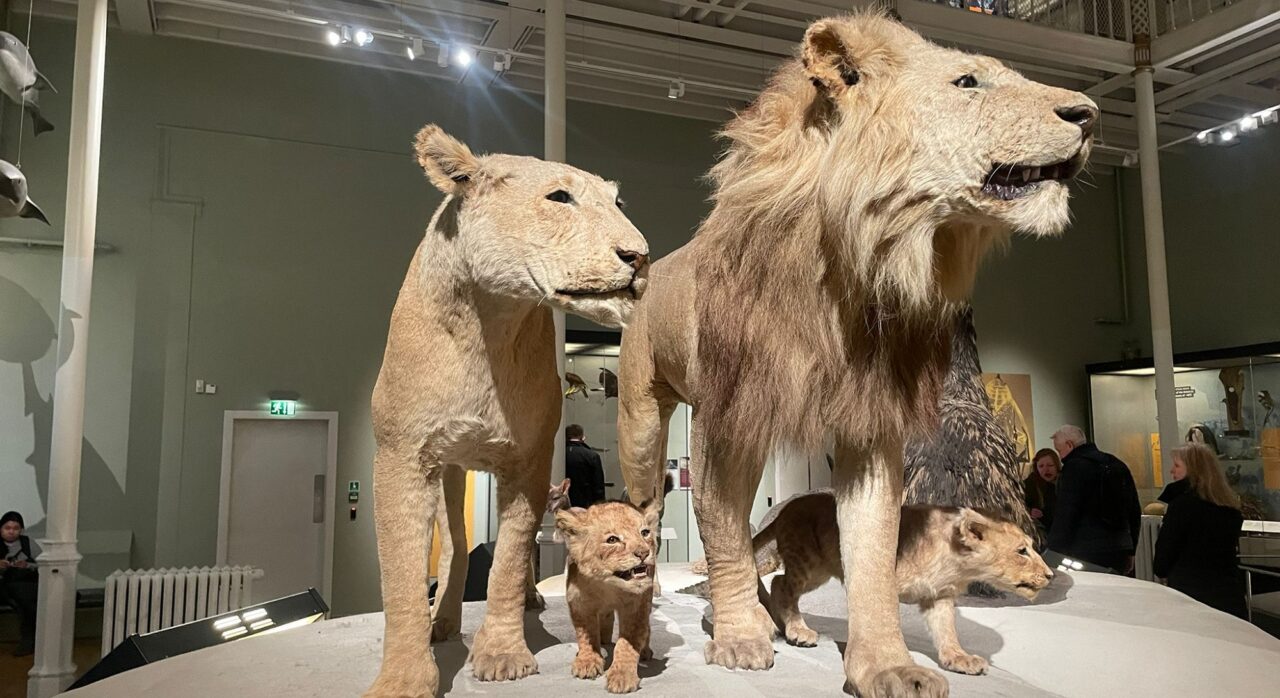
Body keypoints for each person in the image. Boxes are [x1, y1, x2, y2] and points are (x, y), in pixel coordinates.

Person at [1153, 444, 1247, 618]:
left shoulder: (1182, 505)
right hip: (1227, 593)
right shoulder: (1230, 508)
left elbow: (1163, 558)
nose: (1171, 471)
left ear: (1194, 470)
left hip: (1190, 593)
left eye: (1177, 465)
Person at [1047, 425, 1141, 574]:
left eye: (1059, 450)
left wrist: (1053, 551)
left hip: (1085, 549)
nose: (1060, 457)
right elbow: (1133, 509)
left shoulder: (1073, 468)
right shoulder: (1116, 463)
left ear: (1069, 445)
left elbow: (1066, 512)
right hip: (1120, 546)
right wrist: (1131, 549)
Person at [0, 511, 40, 656]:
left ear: (21, 529)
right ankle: (30, 639)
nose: (11, 532)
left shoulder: (27, 542)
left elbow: (43, 564)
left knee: (26, 601)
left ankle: (30, 640)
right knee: (27, 602)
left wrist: (27, 565)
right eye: (7, 528)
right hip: (5, 586)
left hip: (26, 584)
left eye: (15, 528)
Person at [564, 424, 606, 509]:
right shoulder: (592, 456)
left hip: (563, 505)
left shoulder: (558, 456)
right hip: (586, 505)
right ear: (583, 437)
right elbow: (598, 486)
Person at [1024, 448, 1060, 535]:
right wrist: (1029, 511)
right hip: (1041, 533)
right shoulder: (1030, 484)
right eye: (1041, 466)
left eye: (1050, 465)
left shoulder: (1066, 482)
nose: (1046, 470)